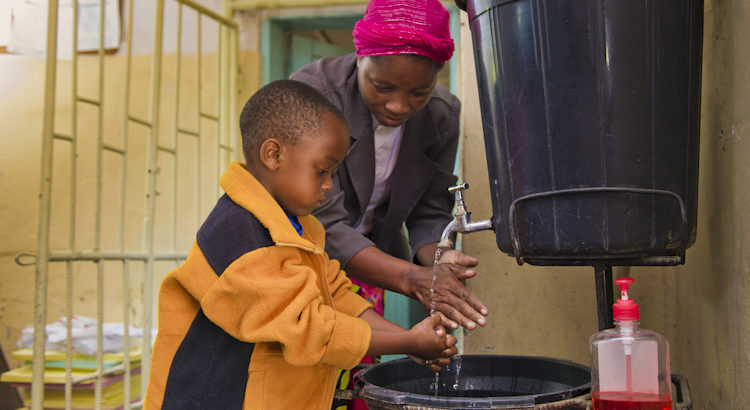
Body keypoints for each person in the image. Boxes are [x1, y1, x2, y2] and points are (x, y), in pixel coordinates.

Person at [143, 79, 458, 410]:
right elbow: (309, 329)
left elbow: (335, 297)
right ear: (273, 154)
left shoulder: (299, 227)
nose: (328, 186)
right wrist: (408, 339)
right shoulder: (239, 236)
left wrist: (409, 343)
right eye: (322, 170)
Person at [290, 0, 489, 334]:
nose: (398, 105)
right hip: (298, 265)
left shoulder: (441, 115)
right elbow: (319, 220)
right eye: (382, 87)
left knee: (356, 372)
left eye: (419, 92)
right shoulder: (314, 96)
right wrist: (413, 279)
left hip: (367, 270)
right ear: (360, 58)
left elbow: (428, 210)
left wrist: (439, 260)